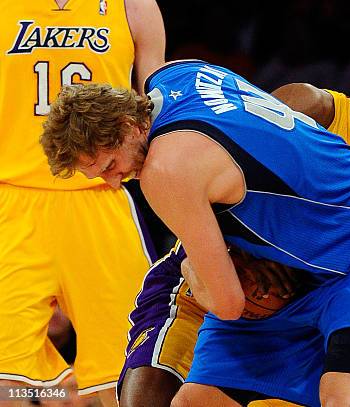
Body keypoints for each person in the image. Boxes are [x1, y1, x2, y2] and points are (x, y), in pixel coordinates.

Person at [40, 54, 350, 406]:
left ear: (128, 125)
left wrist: (195, 270)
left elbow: (228, 304)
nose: (113, 182)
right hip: (275, 258)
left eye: (109, 165)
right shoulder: (178, 74)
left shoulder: (163, 171)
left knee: (349, 394)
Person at [0, 0, 165, 405]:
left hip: (100, 195)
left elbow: (159, 106)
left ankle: (67, 392)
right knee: (6, 385)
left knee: (125, 381)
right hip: (12, 197)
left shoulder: (135, 6)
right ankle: (63, 391)